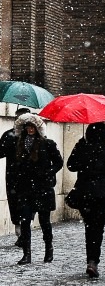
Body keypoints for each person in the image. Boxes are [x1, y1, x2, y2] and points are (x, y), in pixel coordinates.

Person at [2, 113, 64, 265]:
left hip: (42, 188)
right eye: (27, 127)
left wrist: (48, 172)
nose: (30, 129)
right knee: (25, 221)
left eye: (32, 127)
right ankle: (26, 254)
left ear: (37, 128)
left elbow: (58, 162)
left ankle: (48, 249)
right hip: (25, 188)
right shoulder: (18, 144)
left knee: (44, 222)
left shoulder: (48, 144)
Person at [66, 122, 105, 278]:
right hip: (103, 195)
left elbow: (71, 166)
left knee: (90, 226)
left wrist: (79, 146)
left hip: (84, 194)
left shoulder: (82, 150)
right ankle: (93, 261)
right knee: (97, 227)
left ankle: (91, 260)